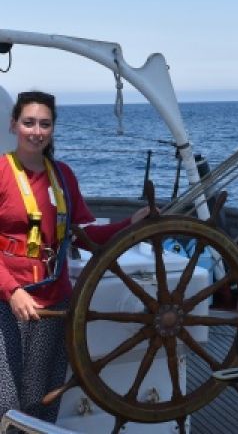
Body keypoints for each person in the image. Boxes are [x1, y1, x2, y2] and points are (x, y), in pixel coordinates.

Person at [0, 90, 150, 423]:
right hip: (7, 301)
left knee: (40, 396)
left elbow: (83, 237)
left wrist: (131, 224)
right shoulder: (1, 172)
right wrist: (13, 291)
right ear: (13, 125)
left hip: (54, 302)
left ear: (52, 129)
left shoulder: (64, 176)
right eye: (28, 122)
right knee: (6, 400)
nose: (36, 131)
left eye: (44, 124)